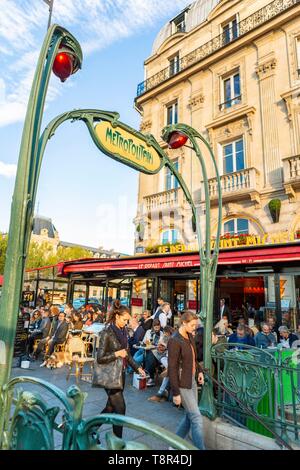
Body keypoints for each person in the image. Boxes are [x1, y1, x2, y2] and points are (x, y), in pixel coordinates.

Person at [94, 300, 145, 438]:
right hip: (109, 375)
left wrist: (137, 368)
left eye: (128, 320)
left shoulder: (123, 331)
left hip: (119, 374)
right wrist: (117, 353)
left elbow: (126, 353)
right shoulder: (106, 332)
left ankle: (91, 429)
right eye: (124, 320)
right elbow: (100, 358)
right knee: (120, 409)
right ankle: (117, 442)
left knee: (111, 407)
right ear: (117, 316)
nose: (126, 323)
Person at [168, 311, 205, 450]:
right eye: (192, 325)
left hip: (192, 381)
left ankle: (173, 445)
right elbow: (172, 368)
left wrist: (200, 371)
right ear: (184, 323)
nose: (194, 328)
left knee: (189, 418)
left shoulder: (189, 335)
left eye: (196, 325)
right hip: (182, 384)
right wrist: (176, 393)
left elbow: (193, 359)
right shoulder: (174, 340)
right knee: (196, 418)